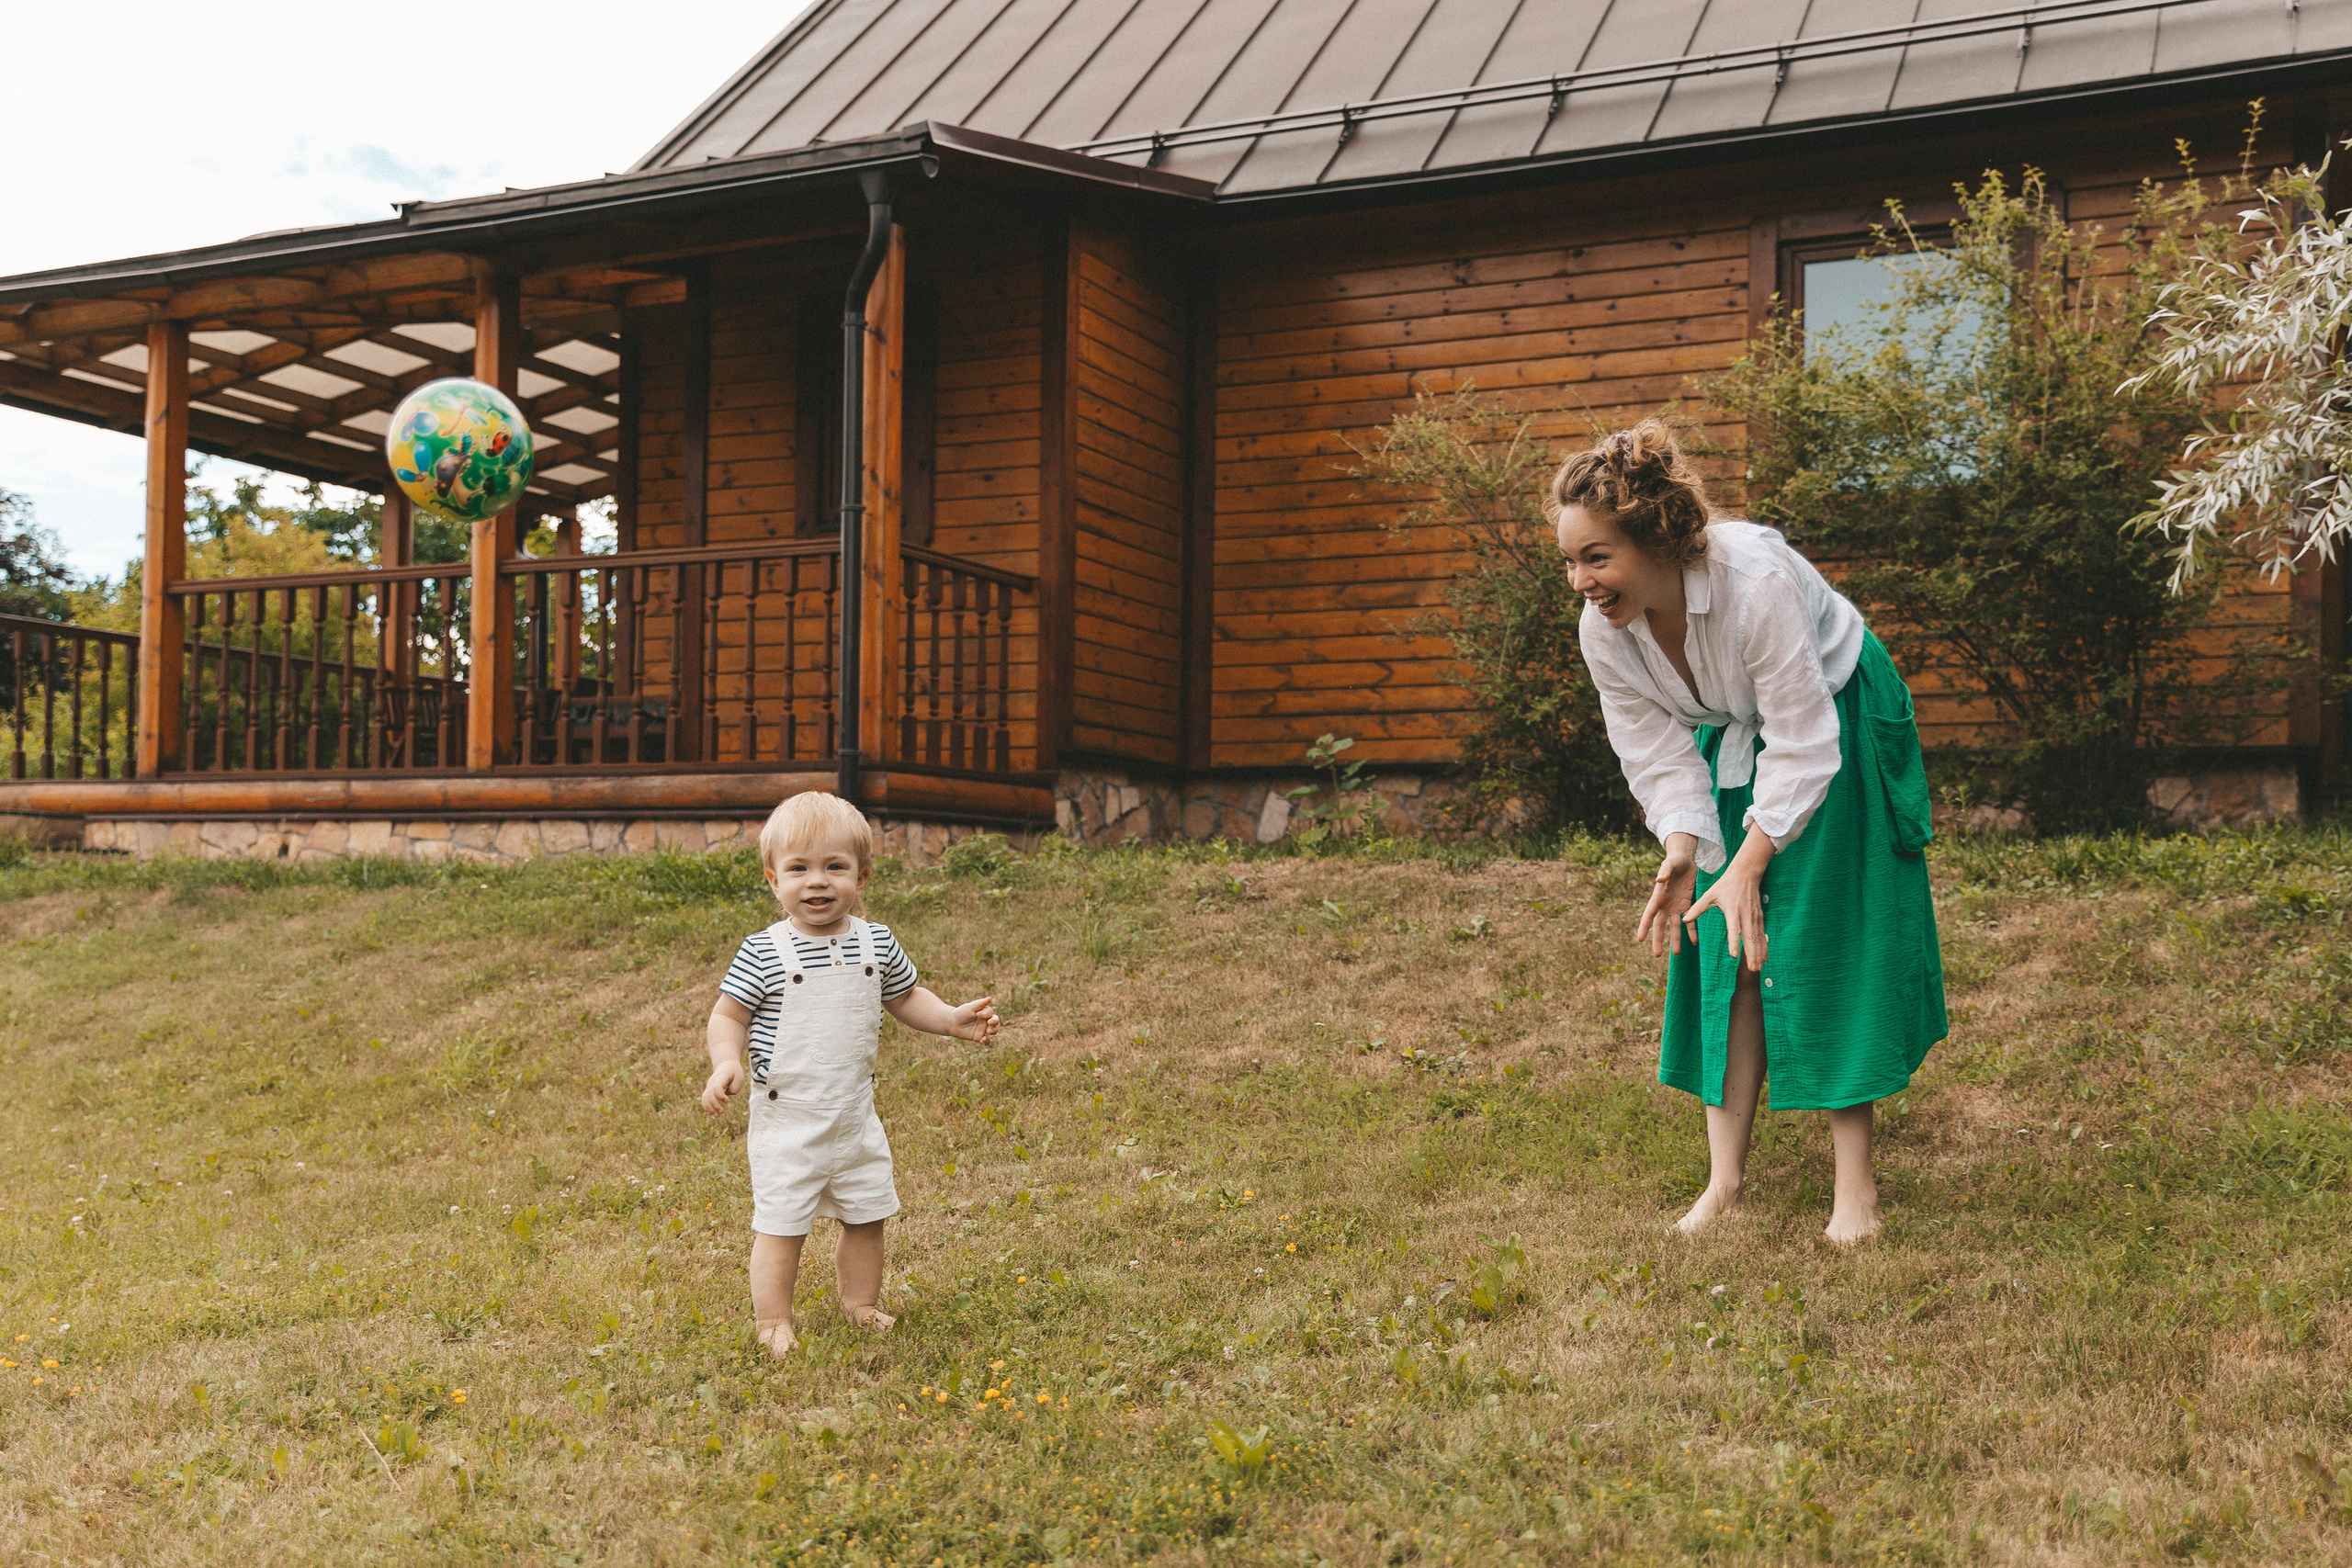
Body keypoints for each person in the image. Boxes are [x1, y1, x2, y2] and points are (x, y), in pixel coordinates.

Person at [1555, 421, 1946, 1245]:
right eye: (1570, 560)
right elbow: (1655, 750)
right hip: (1737, 732)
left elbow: (1804, 741)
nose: (1580, 581)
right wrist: (1686, 850)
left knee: (1820, 934)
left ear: (1656, 539)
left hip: (1830, 711)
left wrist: (1755, 861)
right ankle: (1725, 1181)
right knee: (1719, 944)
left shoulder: (1752, 580)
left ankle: (1856, 1194)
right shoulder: (1606, 629)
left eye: (1597, 557)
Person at [700, 792, 998, 1353]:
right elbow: (728, 1014)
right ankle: (773, 1320)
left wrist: (951, 1020)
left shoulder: (875, 942)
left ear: (862, 877)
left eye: (834, 867)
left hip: (854, 1114)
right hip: (789, 1119)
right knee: (783, 1225)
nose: (817, 882)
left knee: (867, 1215)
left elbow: (907, 997)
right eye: (799, 869)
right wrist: (726, 1061)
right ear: (773, 879)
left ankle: (859, 1303)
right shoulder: (763, 951)